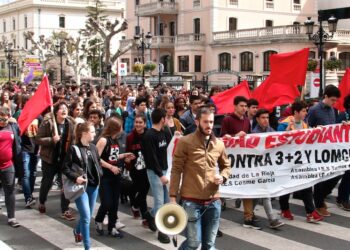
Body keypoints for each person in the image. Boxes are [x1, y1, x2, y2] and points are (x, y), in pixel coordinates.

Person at [170, 107, 231, 249]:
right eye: (205, 122)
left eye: (211, 122)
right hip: (191, 201)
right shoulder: (185, 142)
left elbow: (226, 166)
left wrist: (223, 177)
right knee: (193, 243)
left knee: (209, 245)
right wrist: (173, 198)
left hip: (213, 201)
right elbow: (176, 170)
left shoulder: (219, 144)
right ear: (197, 122)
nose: (209, 125)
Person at [277, 101, 324, 222]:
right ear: (296, 112)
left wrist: (316, 131)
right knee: (286, 186)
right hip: (287, 161)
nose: (306, 113)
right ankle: (284, 209)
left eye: (306, 110)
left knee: (306, 185)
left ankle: (310, 212)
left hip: (300, 161)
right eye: (303, 111)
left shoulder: (304, 124)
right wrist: (287, 129)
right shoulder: (284, 124)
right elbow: (278, 140)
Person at [62, 122, 103, 250]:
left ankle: (77, 231)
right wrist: (76, 178)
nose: (95, 134)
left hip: (94, 186)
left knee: (88, 215)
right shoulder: (74, 149)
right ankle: (87, 247)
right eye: (92, 132)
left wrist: (100, 173)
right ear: (84, 134)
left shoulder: (93, 147)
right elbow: (65, 168)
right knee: (86, 217)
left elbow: (98, 163)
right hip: (81, 188)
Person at [220, 96, 259, 229]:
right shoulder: (227, 119)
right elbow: (223, 138)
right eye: (241, 106)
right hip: (229, 161)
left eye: (245, 106)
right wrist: (235, 137)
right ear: (235, 106)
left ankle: (248, 217)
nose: (244, 108)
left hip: (243, 161)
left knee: (246, 186)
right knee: (223, 189)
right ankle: (215, 220)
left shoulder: (247, 121)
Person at [95, 117, 135, 237]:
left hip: (116, 176)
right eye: (120, 126)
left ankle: (112, 227)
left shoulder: (115, 140)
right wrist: (110, 167)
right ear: (115, 128)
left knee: (114, 204)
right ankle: (98, 219)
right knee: (107, 202)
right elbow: (96, 158)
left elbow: (113, 156)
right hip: (105, 176)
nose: (122, 129)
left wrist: (124, 156)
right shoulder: (103, 140)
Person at [36, 101, 75, 220]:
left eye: (66, 108)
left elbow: (73, 139)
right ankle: (42, 201)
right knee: (47, 182)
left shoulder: (70, 122)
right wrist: (52, 140)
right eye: (61, 108)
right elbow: (38, 139)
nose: (64, 111)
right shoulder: (48, 122)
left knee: (65, 184)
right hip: (50, 159)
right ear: (56, 111)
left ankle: (65, 209)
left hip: (64, 159)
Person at [307, 85, 341, 217]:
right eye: (332, 100)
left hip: (330, 149)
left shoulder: (333, 110)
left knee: (336, 174)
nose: (334, 103)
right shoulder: (314, 110)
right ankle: (319, 203)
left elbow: (332, 127)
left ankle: (320, 197)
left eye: (335, 100)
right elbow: (307, 127)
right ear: (325, 96)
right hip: (316, 150)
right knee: (320, 178)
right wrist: (316, 128)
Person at [141, 108, 171, 243]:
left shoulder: (164, 132)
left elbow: (170, 146)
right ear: (162, 119)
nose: (167, 119)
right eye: (166, 117)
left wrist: (174, 134)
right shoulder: (149, 136)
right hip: (155, 172)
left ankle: (149, 215)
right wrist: (160, 175)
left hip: (164, 170)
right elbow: (151, 158)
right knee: (159, 202)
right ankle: (162, 232)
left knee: (166, 202)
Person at [251, 109, 285, 229]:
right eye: (263, 118)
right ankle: (272, 219)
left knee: (258, 192)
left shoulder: (272, 131)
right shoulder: (254, 133)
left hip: (269, 167)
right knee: (265, 192)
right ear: (257, 119)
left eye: (267, 117)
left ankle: (249, 212)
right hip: (258, 168)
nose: (266, 120)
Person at [125, 114, 155, 229]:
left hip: (148, 169)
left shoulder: (149, 135)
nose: (138, 124)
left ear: (145, 123)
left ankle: (136, 206)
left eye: (140, 122)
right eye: (136, 122)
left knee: (143, 192)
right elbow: (127, 152)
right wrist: (127, 160)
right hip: (135, 169)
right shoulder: (130, 137)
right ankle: (145, 218)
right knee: (140, 191)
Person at [0, 106, 21, 227]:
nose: (3, 121)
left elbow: (18, 143)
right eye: (1, 118)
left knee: (10, 191)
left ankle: (11, 217)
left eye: (5, 118)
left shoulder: (13, 126)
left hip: (8, 165)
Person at [335, 95, 350, 211]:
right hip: (344, 149)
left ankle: (342, 197)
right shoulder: (343, 115)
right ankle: (342, 198)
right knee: (347, 174)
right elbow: (335, 130)